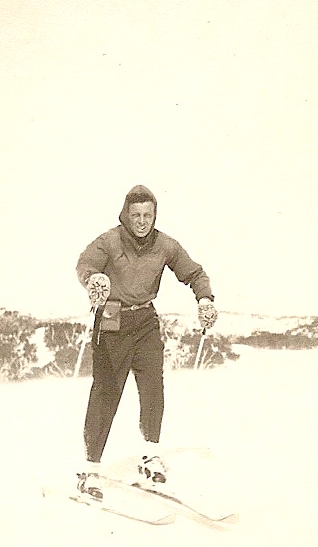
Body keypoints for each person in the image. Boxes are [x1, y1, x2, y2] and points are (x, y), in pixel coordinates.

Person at [75, 184, 217, 489]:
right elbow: (85, 264)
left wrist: (205, 299)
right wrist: (93, 280)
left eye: (147, 215)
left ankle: (149, 456)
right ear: (126, 215)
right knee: (107, 391)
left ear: (154, 216)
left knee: (153, 387)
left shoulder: (165, 245)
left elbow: (194, 273)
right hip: (112, 315)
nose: (141, 221)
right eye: (136, 215)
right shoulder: (109, 241)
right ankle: (89, 469)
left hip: (145, 320)